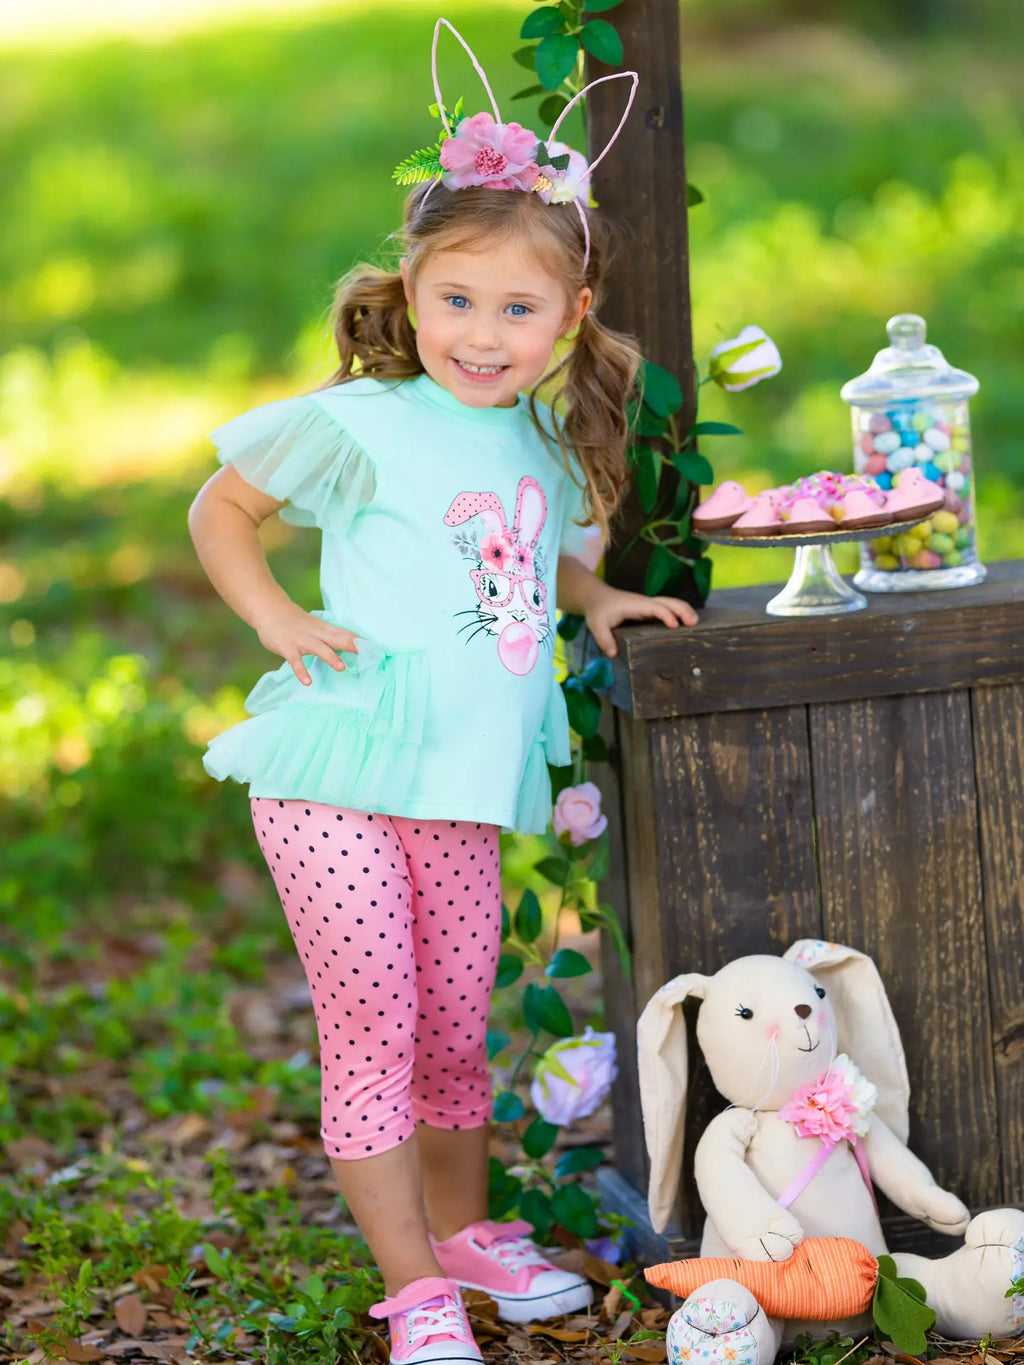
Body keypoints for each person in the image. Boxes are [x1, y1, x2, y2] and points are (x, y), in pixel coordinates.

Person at [188, 18, 698, 1364]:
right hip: (341, 767)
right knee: (374, 1022)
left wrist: (599, 601)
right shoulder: (365, 419)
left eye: (516, 307)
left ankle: (469, 1235)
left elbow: (555, 561)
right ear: (412, 298)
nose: (481, 332)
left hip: (460, 783)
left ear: (570, 315)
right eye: (454, 300)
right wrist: (282, 614)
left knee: (454, 1030)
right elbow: (221, 509)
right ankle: (413, 1284)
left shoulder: (548, 433)